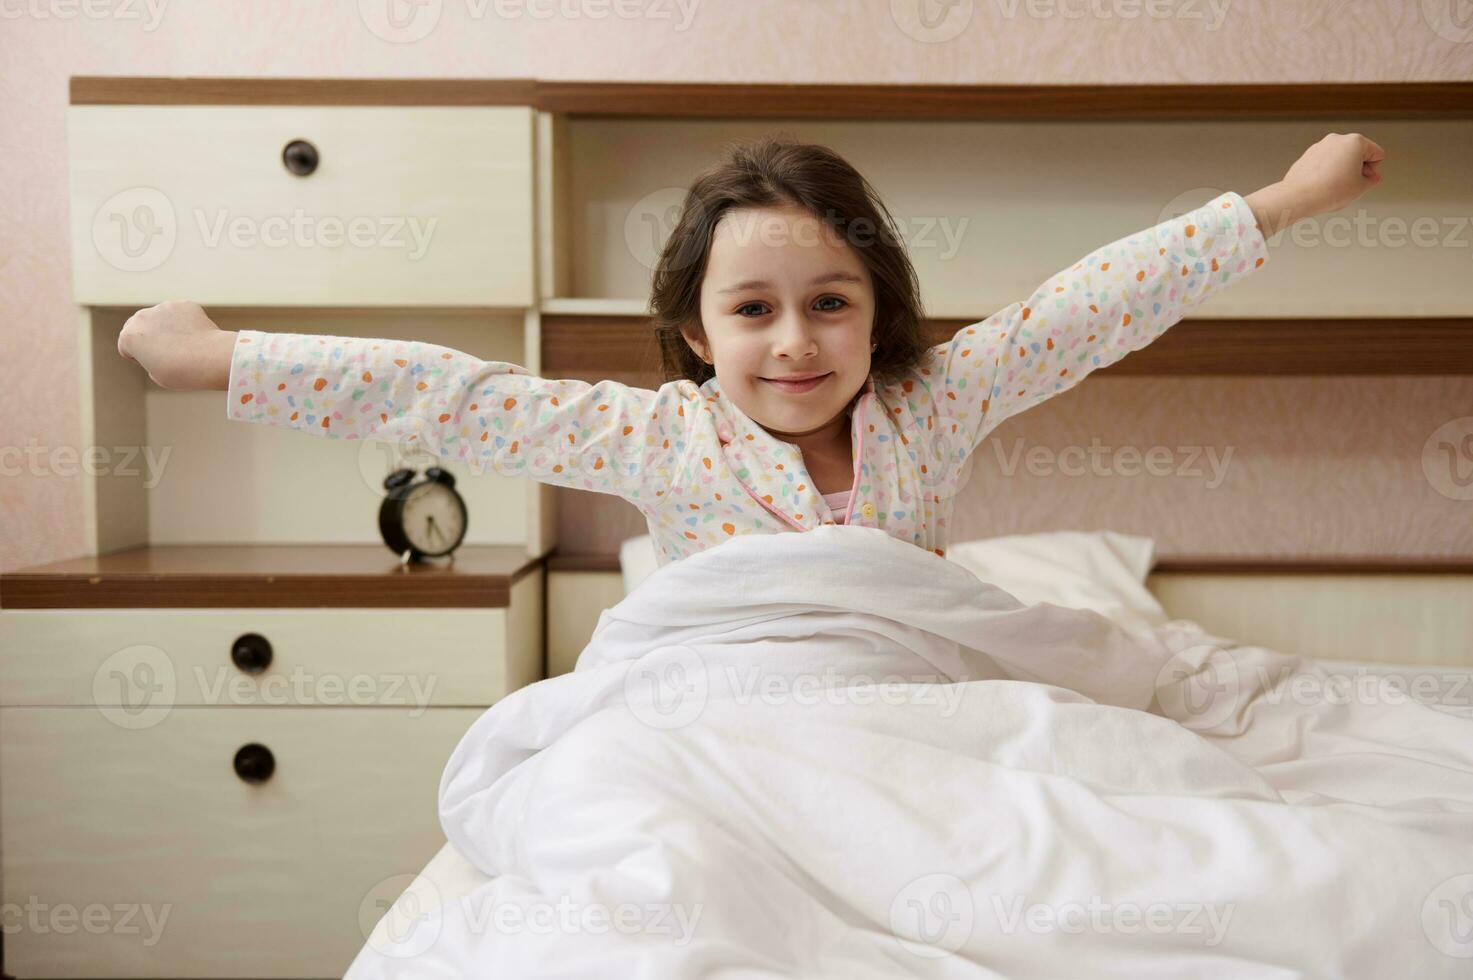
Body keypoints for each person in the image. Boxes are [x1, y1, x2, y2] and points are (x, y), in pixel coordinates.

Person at [117, 133, 1386, 568]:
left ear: (880, 313)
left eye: (831, 303)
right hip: (731, 707)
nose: (794, 342)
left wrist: (1283, 197)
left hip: (906, 695)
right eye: (753, 310)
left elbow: (1093, 303)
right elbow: (451, 395)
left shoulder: (937, 401)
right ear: (693, 330)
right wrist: (228, 356)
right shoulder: (659, 433)